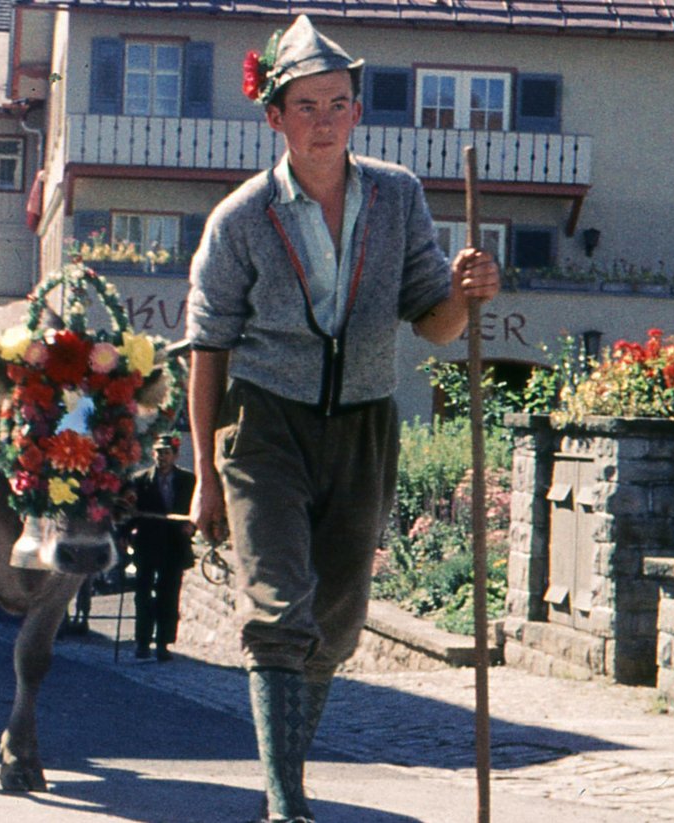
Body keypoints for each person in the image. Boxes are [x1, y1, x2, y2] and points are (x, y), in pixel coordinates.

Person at [184, 16, 501, 823]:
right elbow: (208, 350)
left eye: (338, 104)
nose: (324, 120)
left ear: (357, 113)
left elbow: (430, 321)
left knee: (337, 620)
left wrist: (465, 298)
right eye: (306, 106)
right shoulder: (243, 217)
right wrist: (204, 478)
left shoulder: (397, 196)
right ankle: (287, 803)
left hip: (363, 422)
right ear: (276, 118)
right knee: (280, 606)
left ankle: (284, 779)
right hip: (263, 424)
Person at [125, 435, 196, 661]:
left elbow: (195, 510)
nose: (161, 457)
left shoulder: (188, 480)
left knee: (169, 595)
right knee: (143, 594)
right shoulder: (140, 479)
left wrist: (191, 527)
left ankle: (163, 643)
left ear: (175, 455)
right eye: (158, 452)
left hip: (174, 545)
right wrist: (124, 534)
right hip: (147, 543)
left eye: (166, 452)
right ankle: (142, 642)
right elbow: (130, 511)